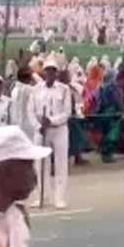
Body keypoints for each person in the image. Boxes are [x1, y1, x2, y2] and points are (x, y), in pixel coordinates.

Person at [28, 58, 71, 209]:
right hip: (41, 130)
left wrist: (51, 121)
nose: (50, 73)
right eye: (48, 70)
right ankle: (43, 195)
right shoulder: (36, 89)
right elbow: (30, 111)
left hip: (59, 129)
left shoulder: (64, 89)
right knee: (40, 164)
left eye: (53, 70)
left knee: (60, 163)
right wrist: (38, 126)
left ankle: (60, 197)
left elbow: (67, 112)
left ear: (56, 73)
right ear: (44, 72)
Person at [95, 68, 123, 163]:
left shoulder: (101, 86)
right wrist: (121, 109)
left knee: (105, 133)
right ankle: (108, 155)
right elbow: (116, 99)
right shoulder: (112, 86)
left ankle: (105, 154)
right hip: (112, 112)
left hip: (102, 112)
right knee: (112, 134)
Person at [10, 67, 37, 141]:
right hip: (27, 127)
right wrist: (34, 75)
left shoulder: (14, 90)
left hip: (16, 125)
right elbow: (42, 86)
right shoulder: (28, 89)